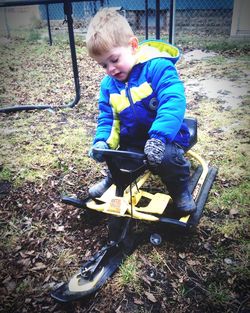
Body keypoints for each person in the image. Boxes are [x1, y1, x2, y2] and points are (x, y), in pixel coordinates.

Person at [85, 8, 196, 219]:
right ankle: (113, 180)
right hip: (134, 139)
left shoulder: (158, 67)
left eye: (114, 60)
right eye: (103, 65)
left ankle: (180, 190)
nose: (110, 69)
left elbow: (173, 101)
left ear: (133, 46)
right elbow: (108, 118)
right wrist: (103, 143)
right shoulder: (109, 86)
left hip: (166, 138)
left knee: (167, 159)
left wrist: (159, 137)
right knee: (119, 157)